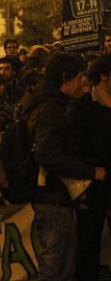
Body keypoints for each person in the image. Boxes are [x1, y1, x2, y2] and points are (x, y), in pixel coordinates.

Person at [21, 52, 106, 280]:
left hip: (48, 196)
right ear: (65, 77)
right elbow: (47, 154)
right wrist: (92, 172)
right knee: (57, 269)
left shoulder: (39, 101)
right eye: (80, 78)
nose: (84, 85)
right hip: (53, 197)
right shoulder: (51, 108)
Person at [67, 54, 111, 280]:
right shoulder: (80, 108)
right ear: (104, 75)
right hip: (92, 185)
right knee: (88, 241)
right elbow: (77, 147)